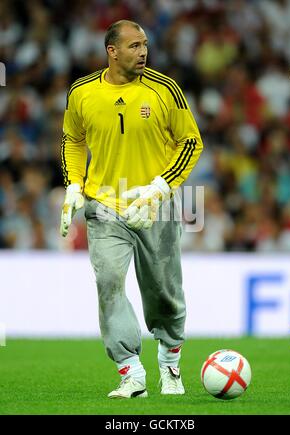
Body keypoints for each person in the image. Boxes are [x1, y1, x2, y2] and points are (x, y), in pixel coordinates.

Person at [60, 20, 203, 399]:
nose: (143, 52)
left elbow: (191, 142)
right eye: (135, 45)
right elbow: (72, 140)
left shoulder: (164, 88)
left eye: (145, 45)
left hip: (156, 206)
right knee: (108, 281)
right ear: (113, 51)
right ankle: (131, 371)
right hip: (105, 205)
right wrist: (74, 184)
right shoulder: (82, 92)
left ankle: (170, 363)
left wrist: (159, 189)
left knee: (164, 291)